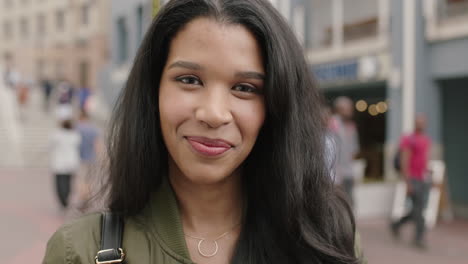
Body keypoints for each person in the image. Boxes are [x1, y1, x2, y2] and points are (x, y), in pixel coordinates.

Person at [43, 1, 362, 263]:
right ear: (153, 92)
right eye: (190, 80)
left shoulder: (328, 240)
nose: (213, 114)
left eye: (244, 87)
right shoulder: (80, 251)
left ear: (275, 107)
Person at [391, 114, 431, 249]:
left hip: (423, 178)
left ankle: (396, 224)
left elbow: (425, 159)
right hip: (413, 178)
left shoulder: (426, 139)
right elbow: (404, 160)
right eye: (418, 122)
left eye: (423, 122)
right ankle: (419, 238)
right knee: (419, 209)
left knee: (417, 209)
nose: (421, 125)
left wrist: (428, 173)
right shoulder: (409, 139)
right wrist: (407, 182)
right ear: (414, 123)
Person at [333, 96, 360, 207]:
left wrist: (352, 171)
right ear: (339, 109)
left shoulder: (350, 126)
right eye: (348, 109)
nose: (351, 111)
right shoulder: (332, 124)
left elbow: (353, 151)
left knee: (349, 203)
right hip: (336, 174)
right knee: (339, 204)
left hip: (348, 172)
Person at [49, 119, 81, 209]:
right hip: (71, 163)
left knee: (59, 183)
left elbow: (50, 145)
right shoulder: (75, 135)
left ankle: (63, 199)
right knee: (68, 182)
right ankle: (66, 198)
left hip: (59, 163)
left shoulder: (57, 134)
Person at [76, 110, 100, 207]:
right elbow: (97, 145)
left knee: (82, 179)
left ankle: (82, 198)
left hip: (80, 158)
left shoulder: (77, 128)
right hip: (92, 158)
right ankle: (88, 198)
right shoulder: (93, 129)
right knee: (90, 180)